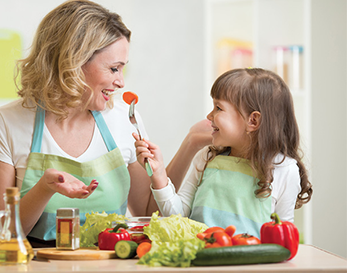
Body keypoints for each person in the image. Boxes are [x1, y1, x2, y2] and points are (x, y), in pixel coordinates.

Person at [0, 0, 211, 248]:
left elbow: (147, 210)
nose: (121, 82)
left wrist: (190, 143)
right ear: (73, 63)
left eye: (122, 69)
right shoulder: (5, 123)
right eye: (113, 69)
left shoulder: (123, 119)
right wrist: (45, 189)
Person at [134, 68, 313, 237]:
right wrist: (159, 177)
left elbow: (283, 235)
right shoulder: (207, 158)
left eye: (218, 108)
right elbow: (178, 216)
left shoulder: (285, 169)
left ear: (253, 120)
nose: (209, 116)